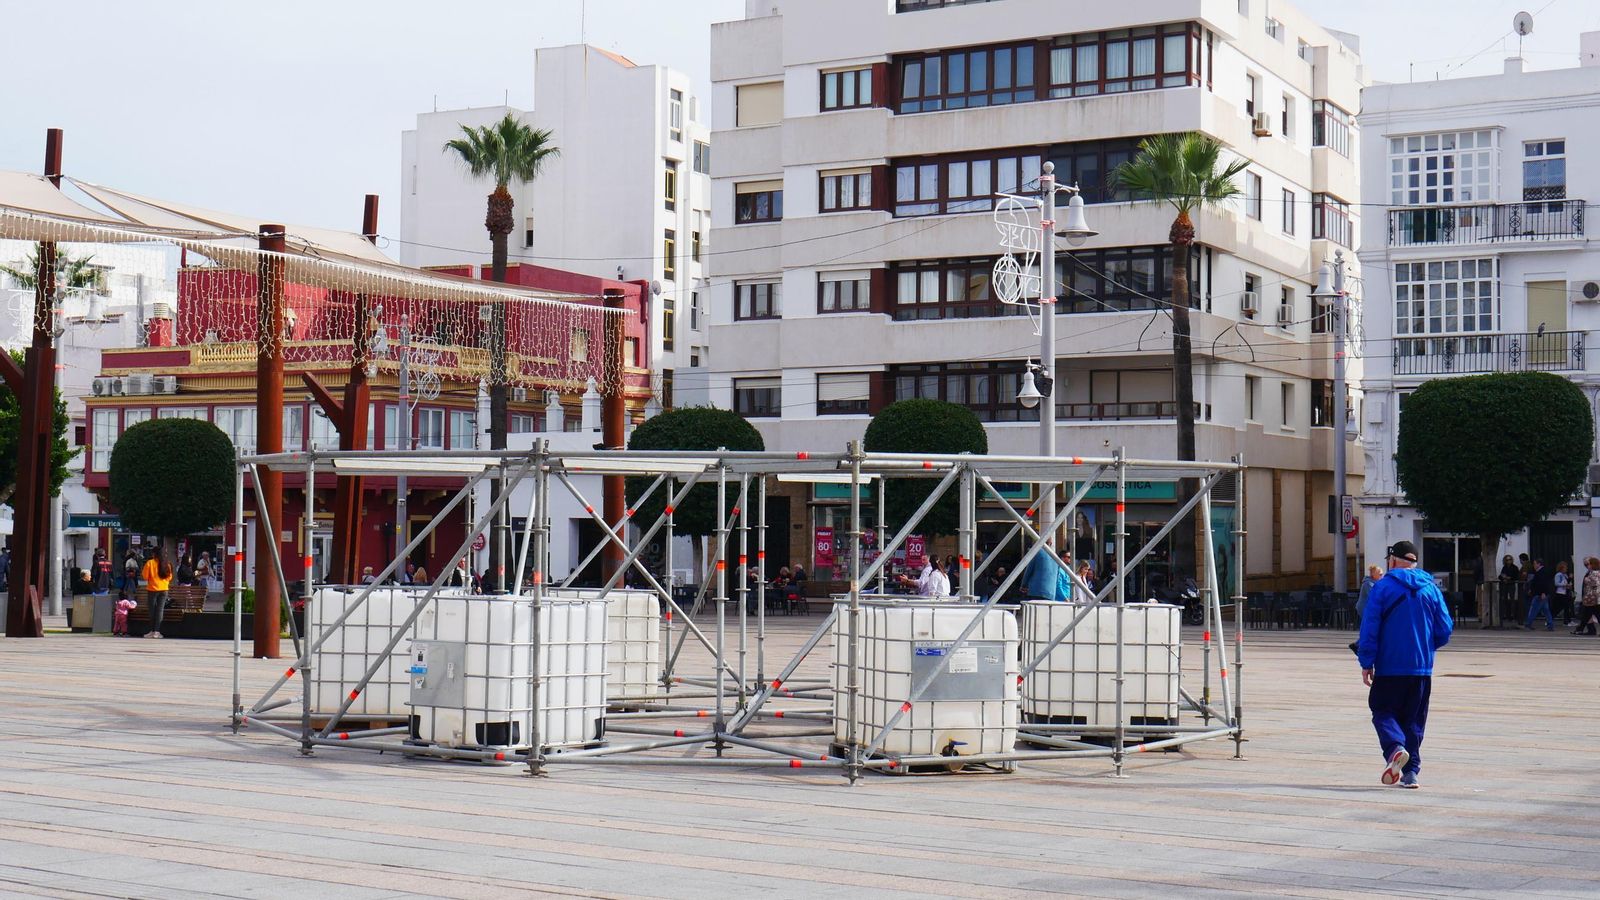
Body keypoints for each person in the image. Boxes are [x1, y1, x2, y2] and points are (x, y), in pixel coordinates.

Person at [1356, 540, 1453, 789]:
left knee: (1382, 710)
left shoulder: (1383, 587)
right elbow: (1444, 628)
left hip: (1389, 667)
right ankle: (1411, 774)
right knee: (1414, 720)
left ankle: (1395, 748)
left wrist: (1367, 661)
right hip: (1421, 668)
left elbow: (1370, 628)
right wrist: (1425, 647)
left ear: (1393, 560)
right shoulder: (1431, 588)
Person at [140, 551, 173, 639]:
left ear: (154, 554)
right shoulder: (167, 563)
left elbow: (145, 576)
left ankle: (152, 630)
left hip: (152, 589)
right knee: (160, 610)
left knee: (152, 610)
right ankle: (157, 632)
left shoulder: (150, 563)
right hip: (164, 589)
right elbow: (170, 577)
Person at [1523, 558, 1556, 631]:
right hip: (1542, 593)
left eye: (1535, 563)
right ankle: (1550, 625)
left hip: (1540, 594)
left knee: (1534, 608)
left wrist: (1543, 592)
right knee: (1546, 610)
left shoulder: (1542, 572)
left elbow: (1544, 583)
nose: (1533, 565)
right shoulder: (1540, 571)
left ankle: (1528, 623)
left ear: (1539, 564)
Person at [1573, 557, 1600, 636]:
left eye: (1588, 564)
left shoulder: (1595, 573)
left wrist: (1588, 580)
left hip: (1593, 598)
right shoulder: (1591, 572)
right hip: (1590, 598)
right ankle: (1583, 629)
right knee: (1588, 615)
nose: (1587, 566)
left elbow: (1596, 583)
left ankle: (1581, 629)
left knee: (1588, 614)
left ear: (1593, 564)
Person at [1554, 560, 1574, 625]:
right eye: (1565, 568)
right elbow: (1556, 583)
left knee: (1566, 607)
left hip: (1565, 592)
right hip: (1560, 593)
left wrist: (1569, 583)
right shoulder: (1558, 575)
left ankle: (1568, 620)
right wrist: (1565, 585)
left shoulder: (1565, 575)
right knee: (1560, 607)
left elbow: (1567, 582)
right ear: (1561, 568)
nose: (1566, 569)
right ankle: (1566, 621)